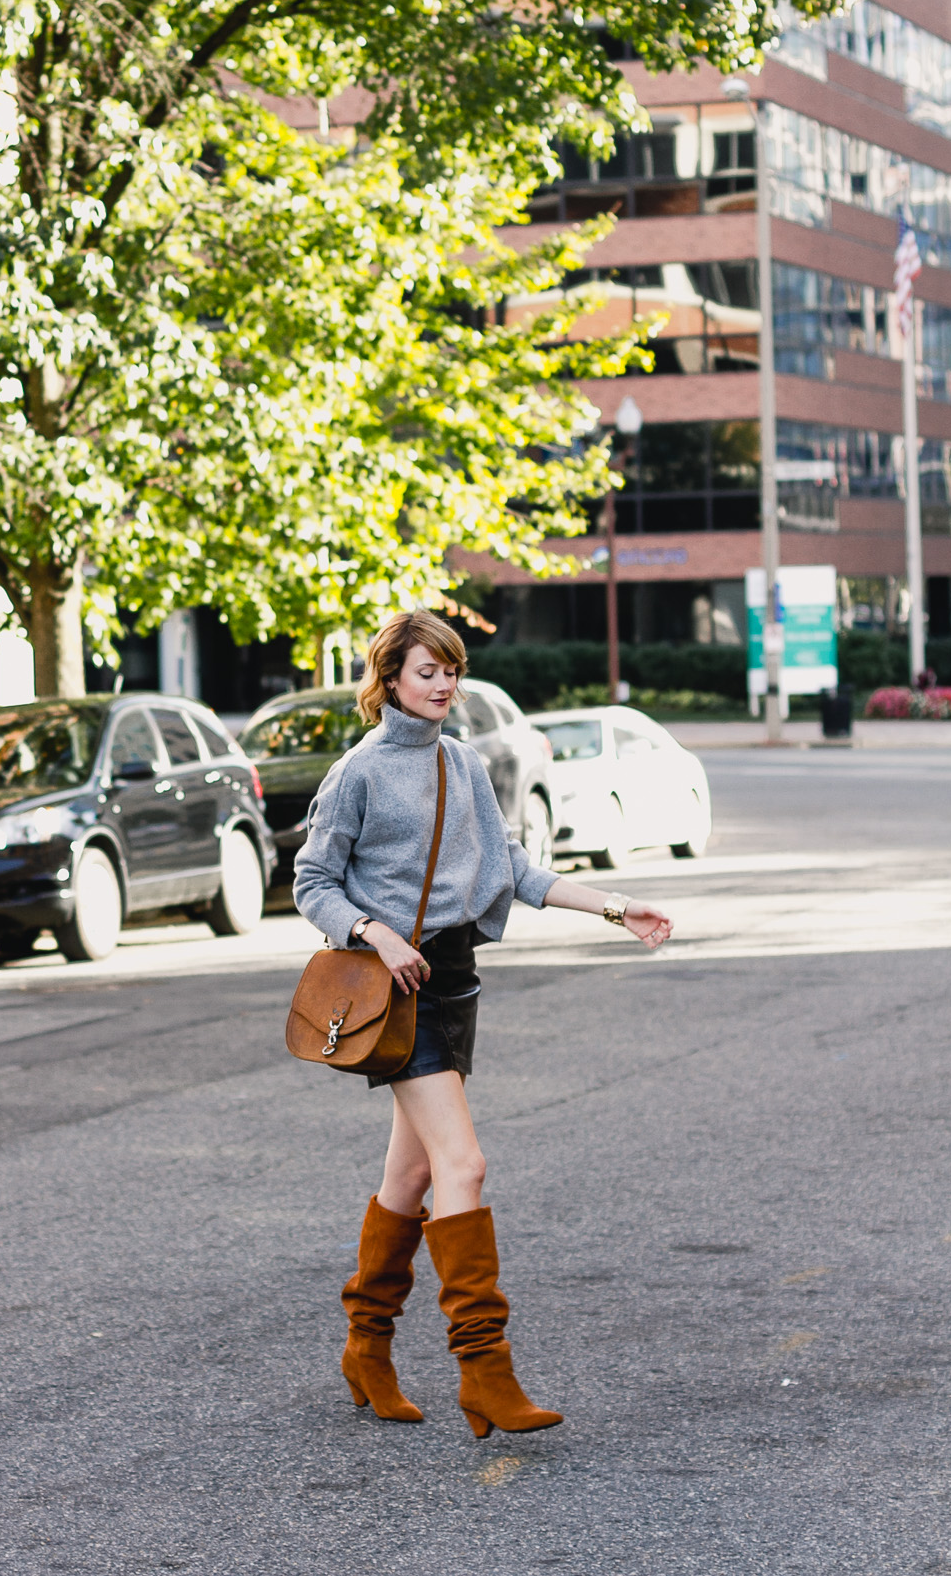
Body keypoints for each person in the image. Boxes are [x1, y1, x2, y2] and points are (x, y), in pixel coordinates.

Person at [292, 608, 673, 1439]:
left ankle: (367, 1345)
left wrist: (614, 904)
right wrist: (376, 930)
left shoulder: (461, 763)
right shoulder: (358, 772)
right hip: (397, 990)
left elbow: (514, 869)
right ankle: (485, 1373)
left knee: (412, 1177)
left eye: (451, 671)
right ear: (390, 678)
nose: (443, 685)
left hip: (455, 982)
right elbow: (312, 879)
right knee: (464, 1162)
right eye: (426, 671)